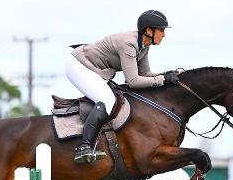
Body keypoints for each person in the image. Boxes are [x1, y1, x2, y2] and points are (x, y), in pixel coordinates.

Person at [65, 10, 180, 164]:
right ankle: (84, 148)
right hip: (78, 66)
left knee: (109, 98)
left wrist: (165, 75)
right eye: (161, 30)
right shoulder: (129, 44)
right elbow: (133, 81)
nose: (164, 34)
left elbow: (145, 74)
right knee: (107, 100)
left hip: (91, 67)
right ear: (148, 30)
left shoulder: (144, 45)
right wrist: (162, 80)